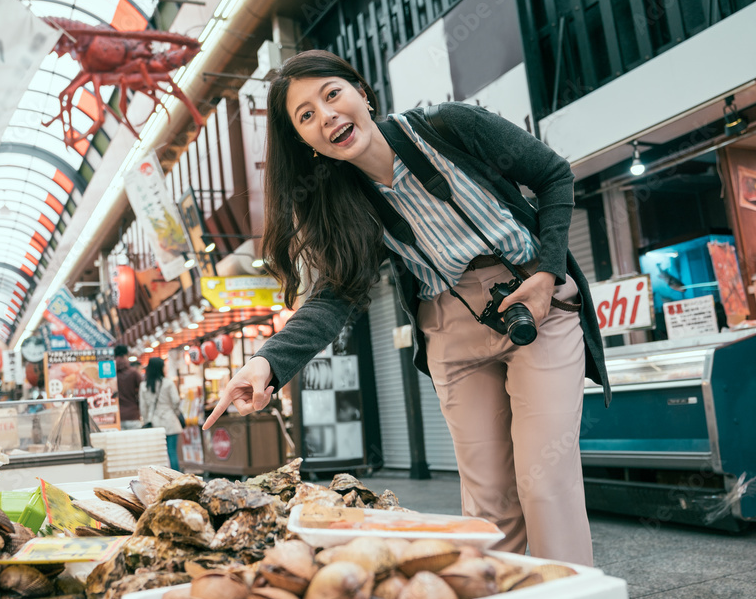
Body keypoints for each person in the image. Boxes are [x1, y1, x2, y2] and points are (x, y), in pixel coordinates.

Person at [203, 50, 610, 566]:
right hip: (448, 326)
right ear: (304, 141)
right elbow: (335, 296)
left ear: (361, 93)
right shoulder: (343, 200)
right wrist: (266, 363)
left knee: (544, 484)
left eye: (332, 94)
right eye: (305, 115)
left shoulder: (450, 125)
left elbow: (554, 175)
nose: (326, 115)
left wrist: (549, 275)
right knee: (488, 505)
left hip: (535, 305)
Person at [140, 357, 184, 470]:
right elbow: (176, 401)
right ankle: (177, 478)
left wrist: (146, 420)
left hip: (154, 423)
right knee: (172, 451)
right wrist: (174, 412)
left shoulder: (144, 386)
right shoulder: (168, 383)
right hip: (170, 421)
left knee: (159, 454)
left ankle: (162, 477)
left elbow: (143, 407)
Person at [114, 345, 143, 430]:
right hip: (133, 415)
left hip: (116, 417)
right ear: (126, 355)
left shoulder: (110, 374)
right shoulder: (133, 373)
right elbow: (142, 391)